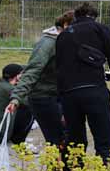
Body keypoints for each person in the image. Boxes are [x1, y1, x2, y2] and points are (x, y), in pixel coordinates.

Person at [55, 2, 110, 163]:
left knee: (75, 143)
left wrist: (60, 99)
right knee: (104, 143)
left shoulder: (63, 35)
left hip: (69, 94)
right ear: (94, 16)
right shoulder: (100, 29)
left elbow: (58, 69)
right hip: (94, 90)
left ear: (76, 16)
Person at [6, 11, 73, 147]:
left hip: (58, 95)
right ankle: (57, 167)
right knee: (57, 139)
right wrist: (16, 97)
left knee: (66, 136)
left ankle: (65, 166)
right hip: (43, 97)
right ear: (66, 25)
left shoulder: (66, 42)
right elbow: (33, 70)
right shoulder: (47, 44)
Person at [0, 63, 33, 145]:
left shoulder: (0, 84)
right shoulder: (10, 89)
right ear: (18, 76)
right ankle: (18, 140)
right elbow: (28, 102)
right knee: (30, 109)